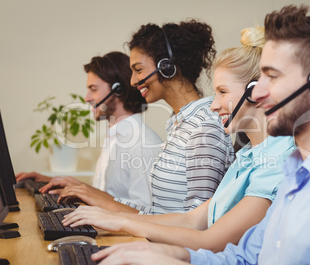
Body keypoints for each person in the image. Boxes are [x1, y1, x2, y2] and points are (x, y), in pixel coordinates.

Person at [86, 5, 310, 265]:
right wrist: (159, 253)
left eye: (272, 77)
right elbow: (243, 260)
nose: (257, 92)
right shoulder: (298, 170)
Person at [61, 26, 295, 252]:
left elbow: (208, 238)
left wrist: (120, 221)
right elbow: (190, 220)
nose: (213, 105)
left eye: (222, 92)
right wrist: (110, 214)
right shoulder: (246, 157)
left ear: (257, 90)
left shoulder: (271, 159)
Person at [43, 19, 235, 215]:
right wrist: (92, 196)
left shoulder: (204, 127)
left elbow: (197, 224)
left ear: (166, 66)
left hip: (174, 245)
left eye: (138, 70)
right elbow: (157, 212)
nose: (133, 81)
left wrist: (107, 211)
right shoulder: (180, 125)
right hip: (161, 240)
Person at [16, 51, 162, 210]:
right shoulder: (116, 137)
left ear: (118, 90)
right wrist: (50, 182)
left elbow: (144, 213)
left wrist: (84, 190)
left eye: (93, 89)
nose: (87, 98)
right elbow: (107, 196)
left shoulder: (141, 143)